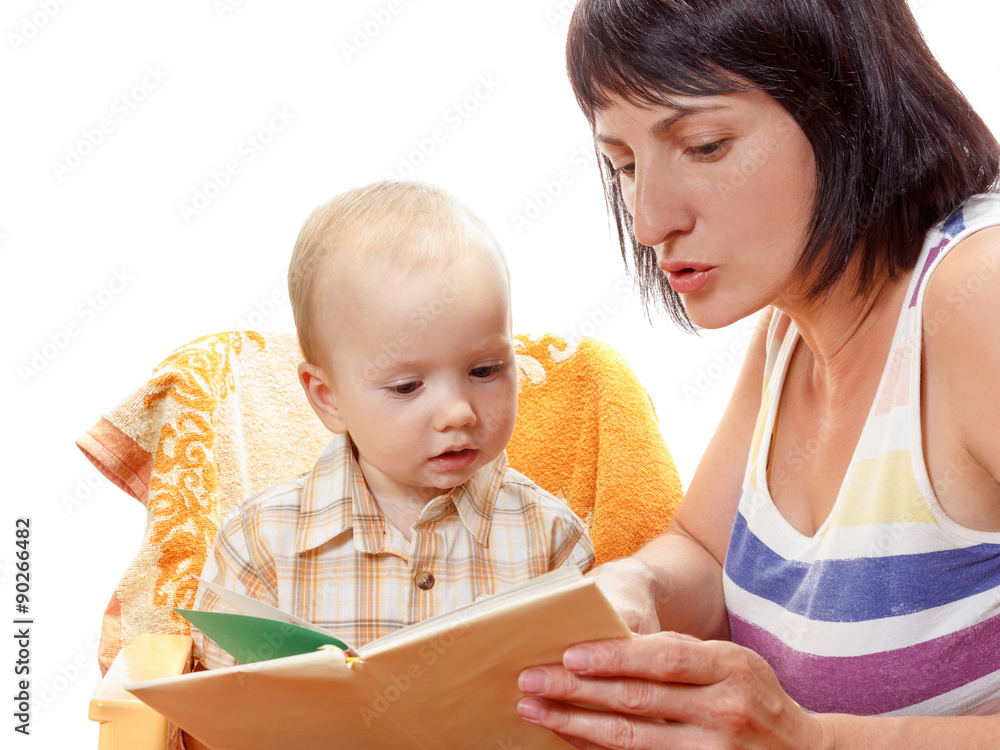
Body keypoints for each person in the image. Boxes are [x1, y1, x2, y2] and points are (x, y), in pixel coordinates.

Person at [515, 0, 1000, 746]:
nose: (649, 223)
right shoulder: (792, 325)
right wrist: (637, 587)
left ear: (846, 99)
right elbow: (706, 553)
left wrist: (811, 740)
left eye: (704, 146)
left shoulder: (978, 296)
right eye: (625, 165)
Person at [190, 180, 595, 671]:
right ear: (328, 398)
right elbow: (218, 703)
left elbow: (589, 692)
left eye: (485, 370)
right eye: (407, 387)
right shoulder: (258, 541)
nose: (458, 412)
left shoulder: (551, 536)